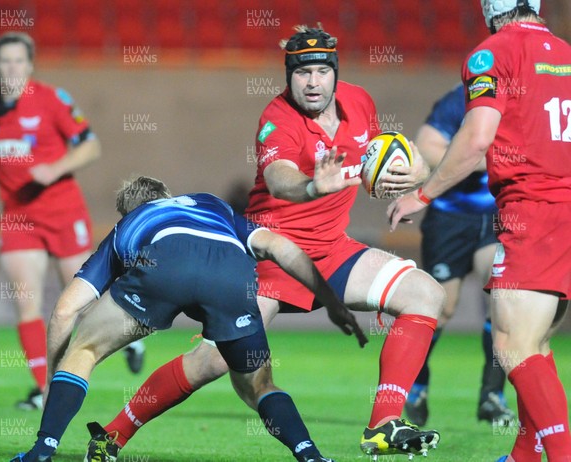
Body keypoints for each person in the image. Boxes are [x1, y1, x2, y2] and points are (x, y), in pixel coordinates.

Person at [85, 25, 443, 462]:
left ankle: (384, 424)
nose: (312, 81)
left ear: (334, 73)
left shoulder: (361, 103)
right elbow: (280, 178)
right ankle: (114, 434)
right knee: (211, 364)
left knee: (426, 294)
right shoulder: (277, 118)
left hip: (332, 250)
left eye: (320, 71)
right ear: (288, 76)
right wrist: (313, 186)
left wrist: (416, 175)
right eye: (302, 72)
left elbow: (398, 155)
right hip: (270, 258)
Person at [10, 176, 368, 462]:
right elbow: (280, 247)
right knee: (258, 386)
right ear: (169, 196)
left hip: (163, 267)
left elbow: (63, 311)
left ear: (129, 212)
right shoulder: (213, 205)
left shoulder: (130, 225)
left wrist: (52, 378)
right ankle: (310, 454)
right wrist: (331, 300)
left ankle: (45, 448)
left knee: (83, 351)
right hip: (233, 276)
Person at [388, 1, 571, 460]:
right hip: (562, 211)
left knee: (512, 345)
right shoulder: (565, 54)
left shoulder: (491, 54)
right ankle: (522, 455)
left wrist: (422, 194)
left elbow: (475, 138)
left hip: (533, 210)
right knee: (537, 344)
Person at [0, 32, 144, 409]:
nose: (12, 68)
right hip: (18, 218)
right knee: (25, 303)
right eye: (5, 61)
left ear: (30, 65)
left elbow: (90, 144)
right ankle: (44, 389)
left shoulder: (52, 100)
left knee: (81, 302)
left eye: (19, 61)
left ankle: (133, 338)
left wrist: (56, 168)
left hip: (63, 213)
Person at [392, 83, 515, 427]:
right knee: (442, 307)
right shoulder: (457, 101)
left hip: (495, 215)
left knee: (500, 299)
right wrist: (474, 155)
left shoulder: (517, 99)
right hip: (448, 218)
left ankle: (492, 396)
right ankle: (417, 385)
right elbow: (428, 147)